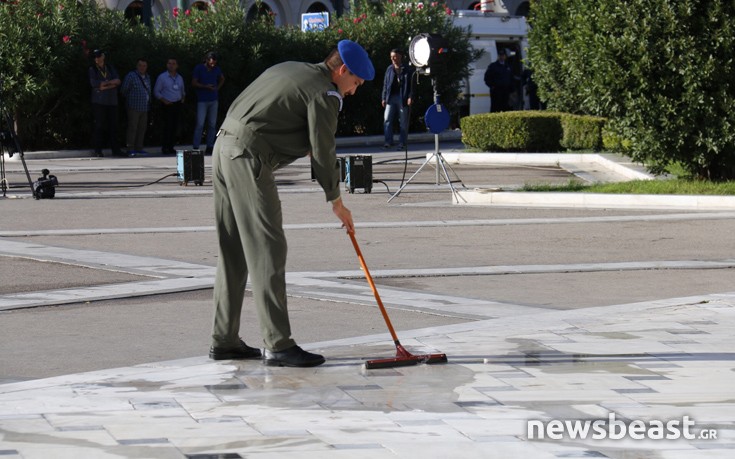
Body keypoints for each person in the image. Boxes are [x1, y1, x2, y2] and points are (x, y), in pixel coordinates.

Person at [209, 39, 374, 367]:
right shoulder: (325, 94)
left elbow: (272, 114)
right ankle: (278, 344)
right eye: (354, 83)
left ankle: (224, 339)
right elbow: (324, 152)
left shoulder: (292, 69)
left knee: (235, 250)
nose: (353, 92)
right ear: (342, 71)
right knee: (269, 248)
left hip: (222, 149)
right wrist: (336, 200)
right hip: (249, 159)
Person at [88, 49, 123, 157]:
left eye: (99, 56)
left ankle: (116, 150)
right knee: (99, 126)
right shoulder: (92, 69)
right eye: (95, 57)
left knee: (114, 126)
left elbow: (117, 81)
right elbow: (95, 84)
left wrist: (106, 84)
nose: (97, 59)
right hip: (99, 101)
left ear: (103, 56)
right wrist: (109, 84)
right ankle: (98, 150)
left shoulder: (110, 68)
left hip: (112, 101)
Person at [192, 51, 225, 155]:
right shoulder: (199, 68)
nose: (213, 65)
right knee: (200, 123)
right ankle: (196, 146)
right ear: (206, 60)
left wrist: (217, 88)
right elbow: (194, 82)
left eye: (214, 63)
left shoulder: (216, 69)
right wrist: (205, 86)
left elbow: (222, 78)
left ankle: (210, 146)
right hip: (202, 100)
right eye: (211, 63)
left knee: (212, 124)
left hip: (213, 100)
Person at [381, 48, 413, 149]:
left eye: (394, 56)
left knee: (403, 121)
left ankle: (402, 142)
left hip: (402, 97)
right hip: (391, 97)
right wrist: (384, 98)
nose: (393, 59)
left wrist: (410, 97)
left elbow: (412, 86)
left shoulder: (407, 69)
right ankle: (388, 142)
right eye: (391, 57)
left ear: (400, 56)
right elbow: (385, 84)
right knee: (387, 119)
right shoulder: (389, 69)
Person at [153, 58, 185, 155]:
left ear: (177, 66)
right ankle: (165, 147)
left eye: (173, 63)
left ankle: (171, 147)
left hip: (177, 104)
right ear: (167, 65)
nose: (171, 65)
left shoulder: (180, 78)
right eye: (169, 63)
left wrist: (183, 98)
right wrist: (164, 100)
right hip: (167, 104)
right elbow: (156, 91)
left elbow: (182, 90)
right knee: (167, 126)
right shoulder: (162, 77)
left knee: (175, 127)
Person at [120, 58, 152, 156]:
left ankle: (139, 148)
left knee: (142, 128)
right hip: (133, 107)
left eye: (144, 66)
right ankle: (130, 148)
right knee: (132, 128)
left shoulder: (147, 77)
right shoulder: (131, 75)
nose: (142, 68)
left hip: (144, 107)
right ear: (137, 66)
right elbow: (123, 90)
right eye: (140, 65)